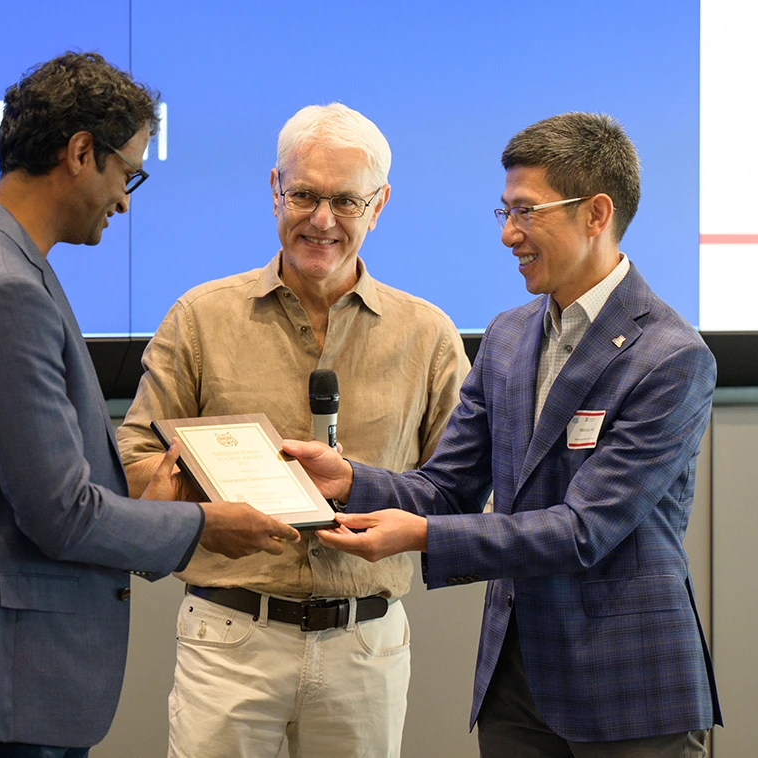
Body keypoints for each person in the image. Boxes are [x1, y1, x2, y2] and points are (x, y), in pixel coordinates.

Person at [0, 51, 299, 757]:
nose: (126, 199)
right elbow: (59, 516)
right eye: (126, 173)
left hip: (0, 679)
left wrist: (146, 498)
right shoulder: (5, 288)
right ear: (78, 152)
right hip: (6, 684)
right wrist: (200, 526)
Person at [285, 112, 723, 758]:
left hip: (629, 690)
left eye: (526, 212)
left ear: (596, 214)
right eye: (504, 212)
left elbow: (584, 530)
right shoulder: (510, 337)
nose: (509, 234)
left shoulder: (670, 357)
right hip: (515, 686)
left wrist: (424, 536)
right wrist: (351, 480)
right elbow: (447, 486)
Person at [115, 103, 470, 757]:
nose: (322, 220)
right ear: (275, 189)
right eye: (304, 194)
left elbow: (459, 493)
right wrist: (197, 490)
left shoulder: (430, 336)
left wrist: (369, 493)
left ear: (380, 204)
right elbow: (132, 458)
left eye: (345, 201)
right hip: (231, 635)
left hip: (366, 644)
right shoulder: (200, 318)